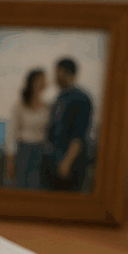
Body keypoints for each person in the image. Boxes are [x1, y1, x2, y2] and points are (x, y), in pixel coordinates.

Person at [41, 57, 94, 191]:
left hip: (69, 165)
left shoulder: (81, 98)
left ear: (64, 72)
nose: (54, 77)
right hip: (52, 162)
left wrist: (67, 162)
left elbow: (79, 134)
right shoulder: (60, 98)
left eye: (56, 72)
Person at [4, 68, 50, 189]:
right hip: (23, 150)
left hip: (41, 151)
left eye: (44, 80)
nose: (44, 82)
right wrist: (10, 160)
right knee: (21, 186)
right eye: (41, 79)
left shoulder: (47, 107)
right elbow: (11, 133)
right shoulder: (19, 106)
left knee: (37, 186)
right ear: (32, 82)